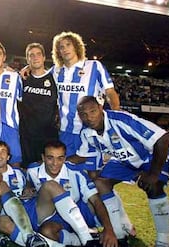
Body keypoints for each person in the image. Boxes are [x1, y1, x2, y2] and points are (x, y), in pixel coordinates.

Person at [71, 96, 169, 247]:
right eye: (84, 114)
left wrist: (153, 173)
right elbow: (81, 156)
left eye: (93, 111)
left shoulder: (122, 120)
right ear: (80, 116)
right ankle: (119, 233)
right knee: (100, 181)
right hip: (124, 161)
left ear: (101, 109)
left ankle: (163, 244)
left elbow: (163, 138)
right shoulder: (86, 132)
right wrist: (52, 160)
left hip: (150, 157)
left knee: (153, 186)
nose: (89, 117)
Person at [51, 31, 120, 170]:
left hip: (90, 130)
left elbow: (110, 92)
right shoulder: (56, 71)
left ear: (76, 46)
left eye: (68, 45)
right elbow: (38, 76)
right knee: (66, 171)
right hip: (66, 132)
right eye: (61, 47)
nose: (65, 49)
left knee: (92, 173)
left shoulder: (94, 66)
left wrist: (115, 116)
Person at [19, 43, 58, 167]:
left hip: (48, 136)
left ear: (44, 57)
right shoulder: (22, 80)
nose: (35, 58)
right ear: (27, 59)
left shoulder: (54, 78)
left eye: (38, 54)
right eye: (31, 55)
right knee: (29, 174)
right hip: (26, 137)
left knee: (47, 173)